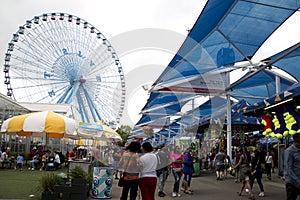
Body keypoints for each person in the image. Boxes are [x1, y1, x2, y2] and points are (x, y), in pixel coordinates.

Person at [284, 133, 300, 200]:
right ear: (297, 141)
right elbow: (288, 169)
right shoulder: (289, 151)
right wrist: (298, 182)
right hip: (292, 183)